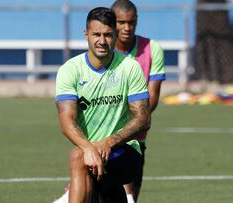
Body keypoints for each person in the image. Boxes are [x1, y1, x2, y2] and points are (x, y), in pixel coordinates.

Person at [55, 7, 151, 203]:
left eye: (107, 35)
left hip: (125, 151)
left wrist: (108, 142)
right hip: (89, 152)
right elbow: (66, 120)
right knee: (103, 189)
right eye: (96, 34)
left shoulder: (129, 67)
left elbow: (143, 119)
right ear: (86, 34)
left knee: (77, 157)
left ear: (115, 35)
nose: (102, 40)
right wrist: (90, 148)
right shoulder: (70, 70)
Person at [111, 1, 166, 202]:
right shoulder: (103, 50)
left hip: (137, 136)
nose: (127, 28)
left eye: (131, 22)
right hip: (104, 137)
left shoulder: (152, 49)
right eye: (121, 22)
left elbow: (152, 98)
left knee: (131, 196)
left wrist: (131, 126)